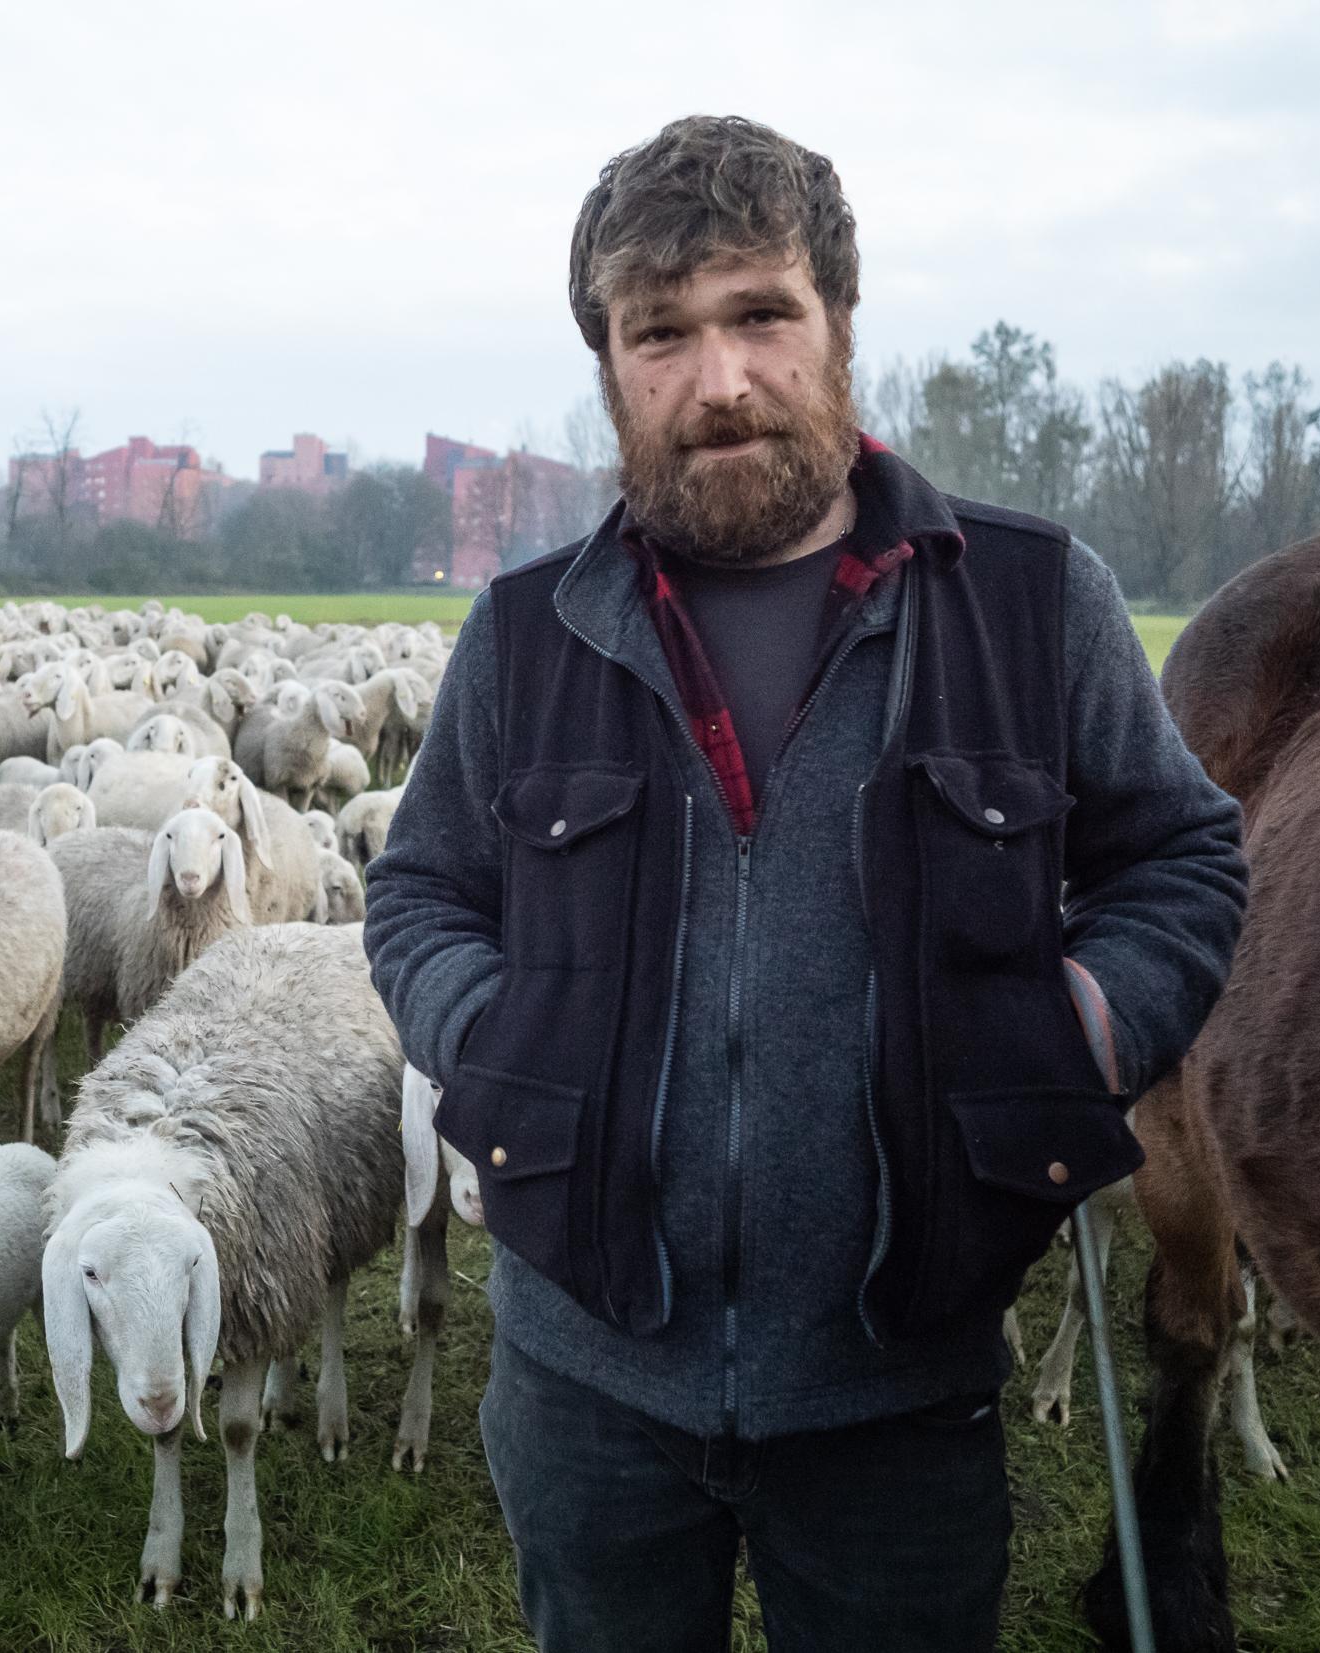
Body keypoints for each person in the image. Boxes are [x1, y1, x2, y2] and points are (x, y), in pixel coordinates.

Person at [363, 114, 1248, 1653]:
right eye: (663, 335)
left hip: (897, 1387)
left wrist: (1079, 1036)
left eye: (762, 315)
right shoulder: (526, 636)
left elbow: (1178, 855)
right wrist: (502, 1037)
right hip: (588, 1384)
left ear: (839, 323)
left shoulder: (1033, 604)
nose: (719, 381)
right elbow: (421, 891)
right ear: (612, 368)